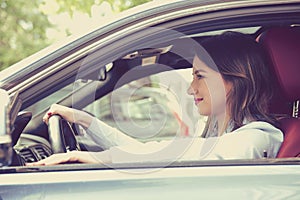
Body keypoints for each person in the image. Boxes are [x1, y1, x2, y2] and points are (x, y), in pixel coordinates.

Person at [27, 31, 283, 166]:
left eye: (199, 76)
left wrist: (98, 159)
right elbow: (152, 151)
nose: (190, 89)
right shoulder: (223, 135)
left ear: (234, 80)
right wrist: (83, 119)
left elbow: (174, 156)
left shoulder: (256, 138)